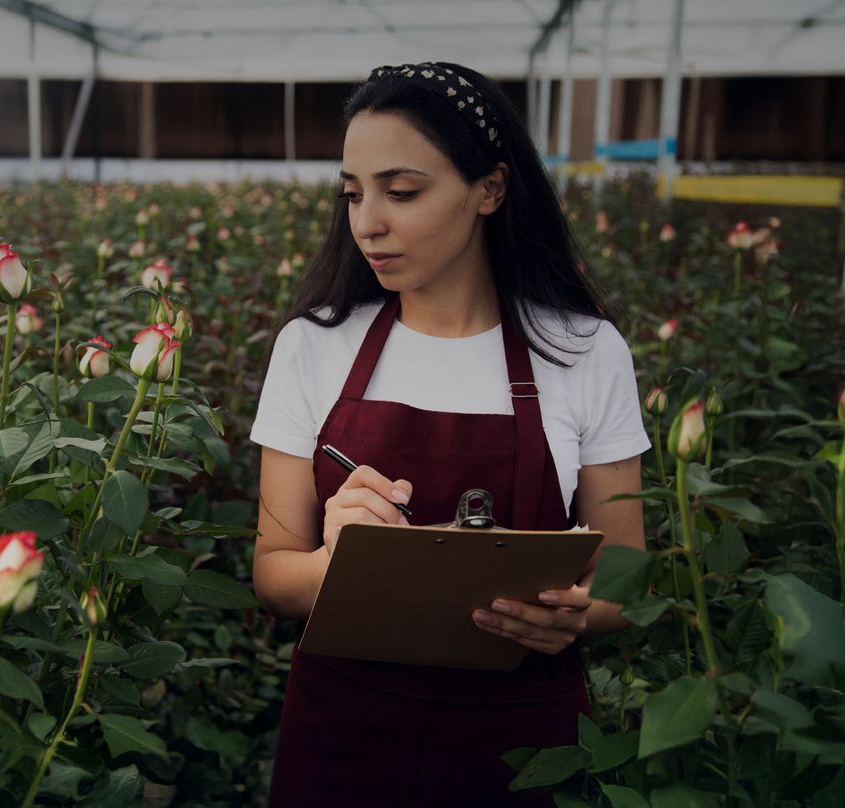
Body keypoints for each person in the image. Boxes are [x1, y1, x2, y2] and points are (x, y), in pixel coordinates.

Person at [249, 62, 651, 806]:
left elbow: (626, 576)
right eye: (352, 193)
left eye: (401, 192)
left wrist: (575, 615)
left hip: (523, 742)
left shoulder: (586, 351)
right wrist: (337, 559)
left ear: (490, 189)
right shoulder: (314, 346)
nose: (367, 220)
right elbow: (275, 574)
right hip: (344, 733)